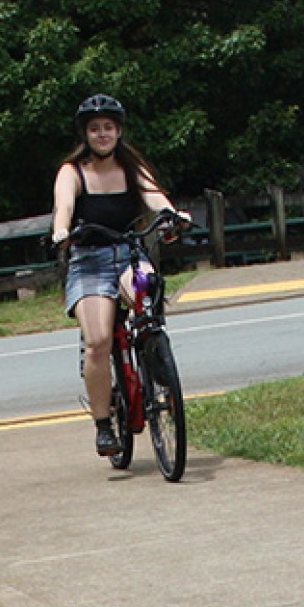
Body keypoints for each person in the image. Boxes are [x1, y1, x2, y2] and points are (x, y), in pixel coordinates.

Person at [51, 94, 186, 457]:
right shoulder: (73, 171)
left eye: (108, 127)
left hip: (128, 256)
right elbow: (63, 206)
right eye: (95, 129)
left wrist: (172, 215)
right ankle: (103, 424)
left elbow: (154, 195)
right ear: (85, 134)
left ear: (119, 131)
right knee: (97, 341)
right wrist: (62, 232)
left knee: (147, 291)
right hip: (89, 262)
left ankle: (154, 355)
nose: (102, 134)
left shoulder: (131, 166)